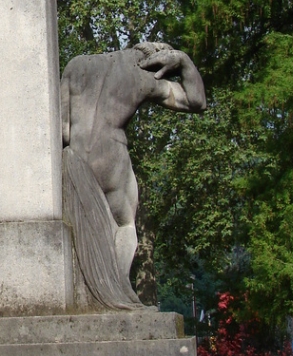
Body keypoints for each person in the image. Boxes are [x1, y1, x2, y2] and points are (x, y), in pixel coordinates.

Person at [61, 43, 207, 291]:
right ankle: (115, 290)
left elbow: (62, 129)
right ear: (159, 58)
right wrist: (183, 61)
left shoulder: (76, 64)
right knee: (124, 226)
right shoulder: (144, 75)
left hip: (74, 158)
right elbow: (196, 101)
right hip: (110, 158)